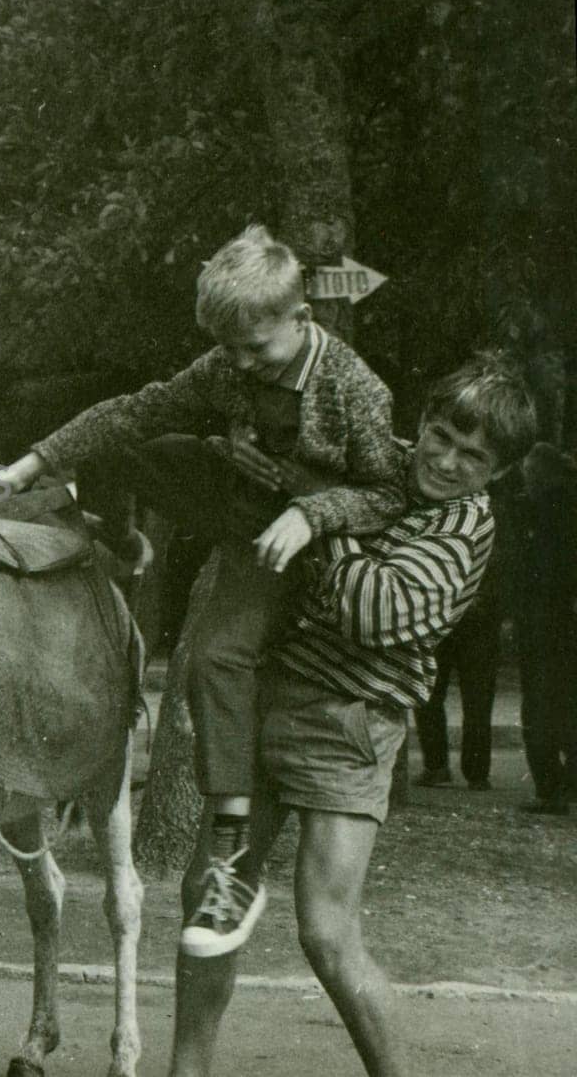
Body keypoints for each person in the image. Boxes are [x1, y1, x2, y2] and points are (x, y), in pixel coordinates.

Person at [0, 224, 405, 958]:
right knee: (140, 430)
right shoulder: (229, 365)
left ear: (303, 320)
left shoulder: (354, 389)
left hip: (307, 545)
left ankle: (233, 851)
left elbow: (391, 490)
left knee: (212, 659)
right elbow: (132, 410)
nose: (241, 365)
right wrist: (25, 469)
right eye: (229, 351)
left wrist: (311, 510)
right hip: (241, 515)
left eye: (257, 349)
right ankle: (118, 543)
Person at [168, 354, 536, 1077]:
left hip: (351, 723)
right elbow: (282, 462)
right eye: (440, 435)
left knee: (327, 931)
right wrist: (245, 447)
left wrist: (318, 514)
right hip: (268, 694)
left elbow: (374, 609)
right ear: (421, 423)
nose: (448, 460)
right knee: (211, 892)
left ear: (496, 471)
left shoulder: (466, 529)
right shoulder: (381, 465)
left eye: (474, 456)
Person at [503, 441, 577, 814]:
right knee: (566, 707)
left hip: (544, 624)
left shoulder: (539, 512)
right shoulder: (565, 506)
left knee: (540, 708)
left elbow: (535, 573)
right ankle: (565, 784)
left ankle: (549, 789)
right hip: (564, 624)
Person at [413, 534, 503, 789]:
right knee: (467, 700)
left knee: (450, 697)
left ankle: (442, 767)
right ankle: (469, 772)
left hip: (457, 620)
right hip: (466, 621)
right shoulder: (490, 523)